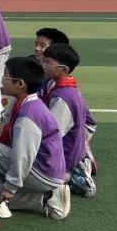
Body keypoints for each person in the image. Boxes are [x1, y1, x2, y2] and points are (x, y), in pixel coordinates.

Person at [0, 57, 70, 220]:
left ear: (20, 84)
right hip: (48, 170)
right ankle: (47, 198)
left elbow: (23, 155)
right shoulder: (30, 103)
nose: (2, 81)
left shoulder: (28, 115)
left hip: (41, 172)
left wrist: (10, 186)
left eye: (5, 77)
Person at [40, 43, 97, 197]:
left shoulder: (63, 97)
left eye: (47, 62)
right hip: (70, 149)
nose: (43, 65)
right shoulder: (57, 85)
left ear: (63, 70)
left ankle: (71, 178)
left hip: (63, 156)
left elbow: (51, 135)